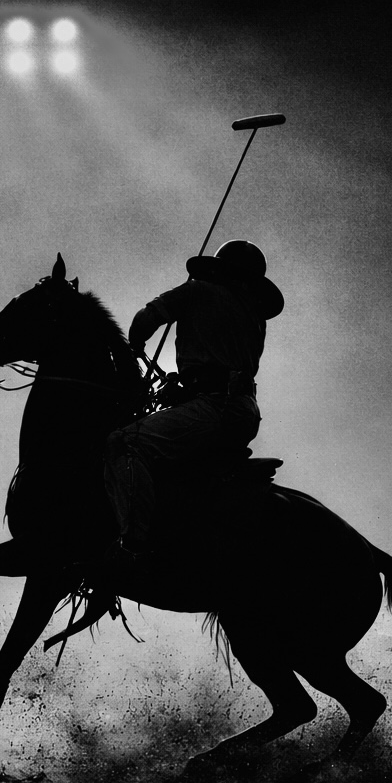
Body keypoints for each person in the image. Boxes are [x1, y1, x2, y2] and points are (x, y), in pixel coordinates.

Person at [100, 239, 284, 570]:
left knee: (124, 442)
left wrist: (137, 340)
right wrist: (184, 389)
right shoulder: (257, 317)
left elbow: (143, 322)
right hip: (243, 412)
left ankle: (132, 548)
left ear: (218, 269)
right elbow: (222, 366)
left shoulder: (198, 290)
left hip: (214, 408)